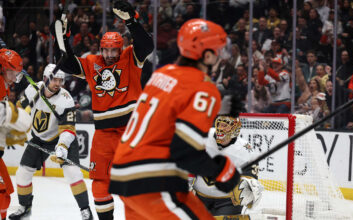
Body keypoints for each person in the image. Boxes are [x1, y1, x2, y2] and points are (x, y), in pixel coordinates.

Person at [109, 18, 241, 219]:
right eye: (217, 51)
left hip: (123, 175)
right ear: (206, 55)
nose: (220, 57)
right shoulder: (204, 88)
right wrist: (222, 171)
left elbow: (169, 115)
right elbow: (184, 151)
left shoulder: (161, 74)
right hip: (154, 179)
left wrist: (219, 106)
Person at [52, 1, 153, 219]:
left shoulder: (130, 58)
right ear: (100, 48)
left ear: (120, 47)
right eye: (105, 49)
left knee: (132, 187)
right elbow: (67, 63)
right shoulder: (92, 62)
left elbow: (147, 46)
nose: (109, 54)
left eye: (113, 50)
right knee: (99, 187)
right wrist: (62, 40)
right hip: (103, 135)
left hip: (129, 133)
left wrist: (131, 22)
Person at [9, 64, 93, 220]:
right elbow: (19, 110)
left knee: (72, 173)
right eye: (54, 80)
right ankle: (24, 206)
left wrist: (62, 146)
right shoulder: (32, 90)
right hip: (39, 139)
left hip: (62, 139)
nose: (58, 84)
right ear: (45, 78)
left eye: (61, 80)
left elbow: (68, 129)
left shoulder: (66, 100)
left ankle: (85, 210)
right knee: (22, 173)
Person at [191, 115, 264, 218]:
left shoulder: (245, 149)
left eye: (225, 126)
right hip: (198, 198)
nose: (221, 129)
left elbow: (250, 177)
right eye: (220, 125)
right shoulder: (203, 137)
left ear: (235, 129)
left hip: (228, 201)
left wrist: (247, 185)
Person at [0, 48, 30, 220]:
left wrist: (10, 133)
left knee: (5, 193)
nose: (16, 77)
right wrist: (16, 117)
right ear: (4, 68)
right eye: (14, 72)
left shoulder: (4, 86)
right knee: (2, 195)